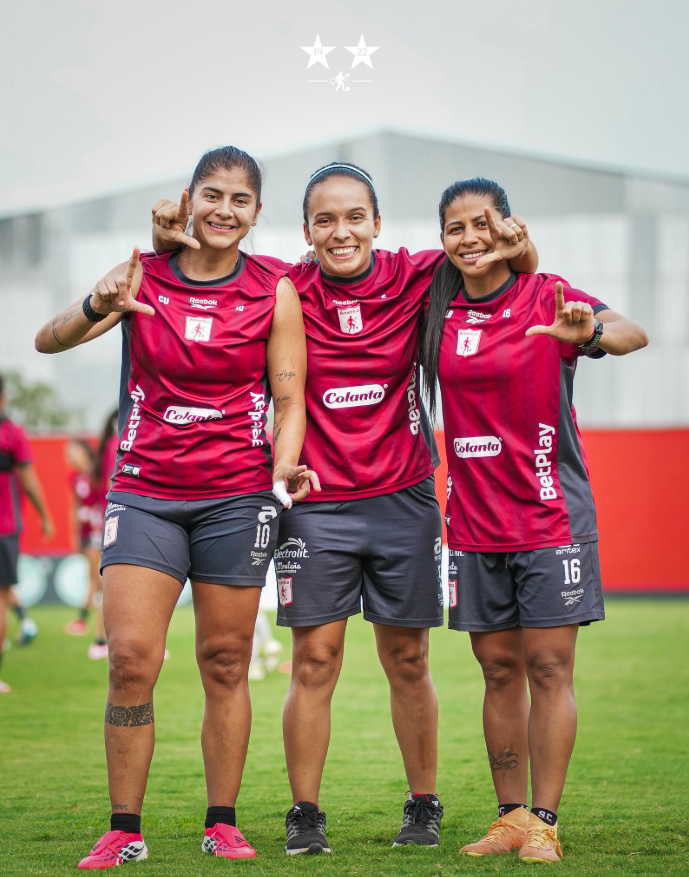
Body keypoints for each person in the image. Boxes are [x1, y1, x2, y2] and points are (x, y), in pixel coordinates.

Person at [151, 163, 539, 853]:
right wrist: (162, 244)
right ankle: (305, 811)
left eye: (354, 216)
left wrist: (516, 240)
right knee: (314, 659)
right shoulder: (282, 285)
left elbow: (498, 268)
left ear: (377, 222)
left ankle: (423, 802)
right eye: (324, 219)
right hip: (316, 503)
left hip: (404, 498)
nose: (341, 231)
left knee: (407, 658)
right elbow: (202, 268)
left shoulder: (419, 272)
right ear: (304, 231)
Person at [35, 146, 317, 867]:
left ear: (256, 213)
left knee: (225, 659)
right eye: (212, 195)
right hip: (145, 493)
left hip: (236, 496)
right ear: (189, 200)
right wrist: (101, 300)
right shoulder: (143, 275)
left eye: (240, 200)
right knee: (130, 659)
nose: (224, 210)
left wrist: (285, 464)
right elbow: (49, 340)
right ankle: (123, 827)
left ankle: (220, 819)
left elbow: (289, 398)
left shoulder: (274, 289)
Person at [420, 178, 648, 864]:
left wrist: (594, 333)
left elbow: (633, 332)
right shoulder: (436, 311)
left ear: (507, 227)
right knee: (496, 671)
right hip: (472, 525)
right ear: (443, 240)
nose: (469, 236)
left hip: (550, 520)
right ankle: (510, 816)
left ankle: (545, 820)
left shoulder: (546, 292)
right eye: (455, 226)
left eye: (482, 222)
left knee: (548, 667)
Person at [0, 372, 55, 693]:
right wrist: (46, 516)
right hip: (1, 529)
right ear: (1, 398)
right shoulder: (10, 434)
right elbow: (29, 482)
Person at [64, 438, 109, 658]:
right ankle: (98, 637)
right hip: (88, 536)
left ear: (84, 452)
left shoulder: (99, 472)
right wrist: (74, 536)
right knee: (98, 583)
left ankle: (94, 633)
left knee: (99, 583)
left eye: (71, 452)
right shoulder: (74, 478)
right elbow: (74, 508)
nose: (68, 457)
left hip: (101, 532)